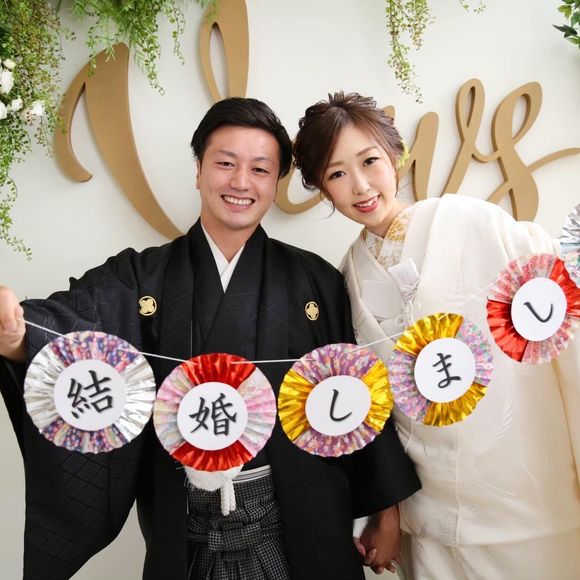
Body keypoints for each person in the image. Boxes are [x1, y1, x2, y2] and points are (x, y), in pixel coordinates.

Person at [0, 97, 420, 580]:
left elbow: (360, 400)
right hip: (188, 533)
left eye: (260, 169)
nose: (241, 182)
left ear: (276, 183)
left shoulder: (315, 280)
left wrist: (387, 511)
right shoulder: (139, 278)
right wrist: (15, 337)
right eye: (225, 163)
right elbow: (66, 334)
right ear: (199, 170)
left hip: (306, 527)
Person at [293, 92, 580, 579]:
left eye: (370, 161)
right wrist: (388, 512)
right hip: (430, 517)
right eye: (337, 174)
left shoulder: (475, 223)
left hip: (526, 499)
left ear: (396, 156)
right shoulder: (345, 279)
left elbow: (561, 318)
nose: (360, 186)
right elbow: (371, 414)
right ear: (323, 188)